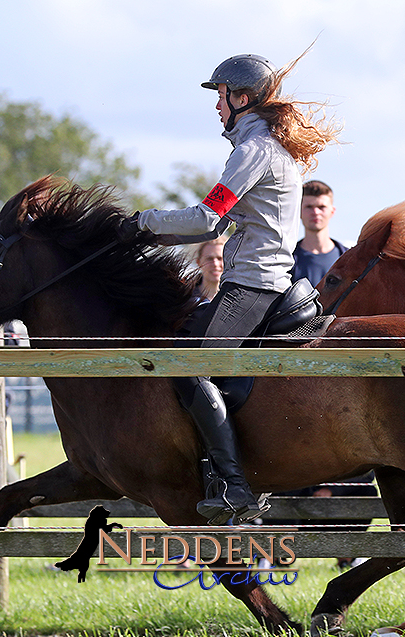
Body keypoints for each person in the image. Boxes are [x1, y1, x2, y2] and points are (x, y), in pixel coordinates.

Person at [117, 52, 339, 526]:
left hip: (254, 285)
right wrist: (145, 234)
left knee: (188, 365)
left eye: (219, 95)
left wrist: (140, 222)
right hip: (253, 280)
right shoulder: (256, 144)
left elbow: (205, 218)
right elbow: (206, 227)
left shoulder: (254, 149)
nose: (215, 105)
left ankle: (235, 486)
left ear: (241, 97)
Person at [292, 180, 347, 287]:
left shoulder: (347, 259)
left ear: (332, 211)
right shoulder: (287, 260)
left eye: (321, 207)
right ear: (299, 211)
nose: (315, 212)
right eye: (309, 207)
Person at [192, 237, 226, 302]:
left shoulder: (239, 299)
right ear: (198, 262)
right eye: (209, 259)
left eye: (220, 258)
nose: (215, 264)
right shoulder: (184, 299)